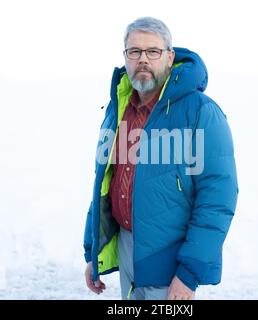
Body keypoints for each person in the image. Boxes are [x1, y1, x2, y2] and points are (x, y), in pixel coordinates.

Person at [84, 17, 238, 300]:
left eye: (152, 51)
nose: (143, 59)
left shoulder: (201, 112)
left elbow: (218, 197)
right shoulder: (117, 110)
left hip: (171, 262)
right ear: (126, 57)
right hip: (128, 248)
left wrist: (189, 273)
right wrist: (94, 249)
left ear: (169, 57)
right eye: (135, 51)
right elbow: (104, 181)